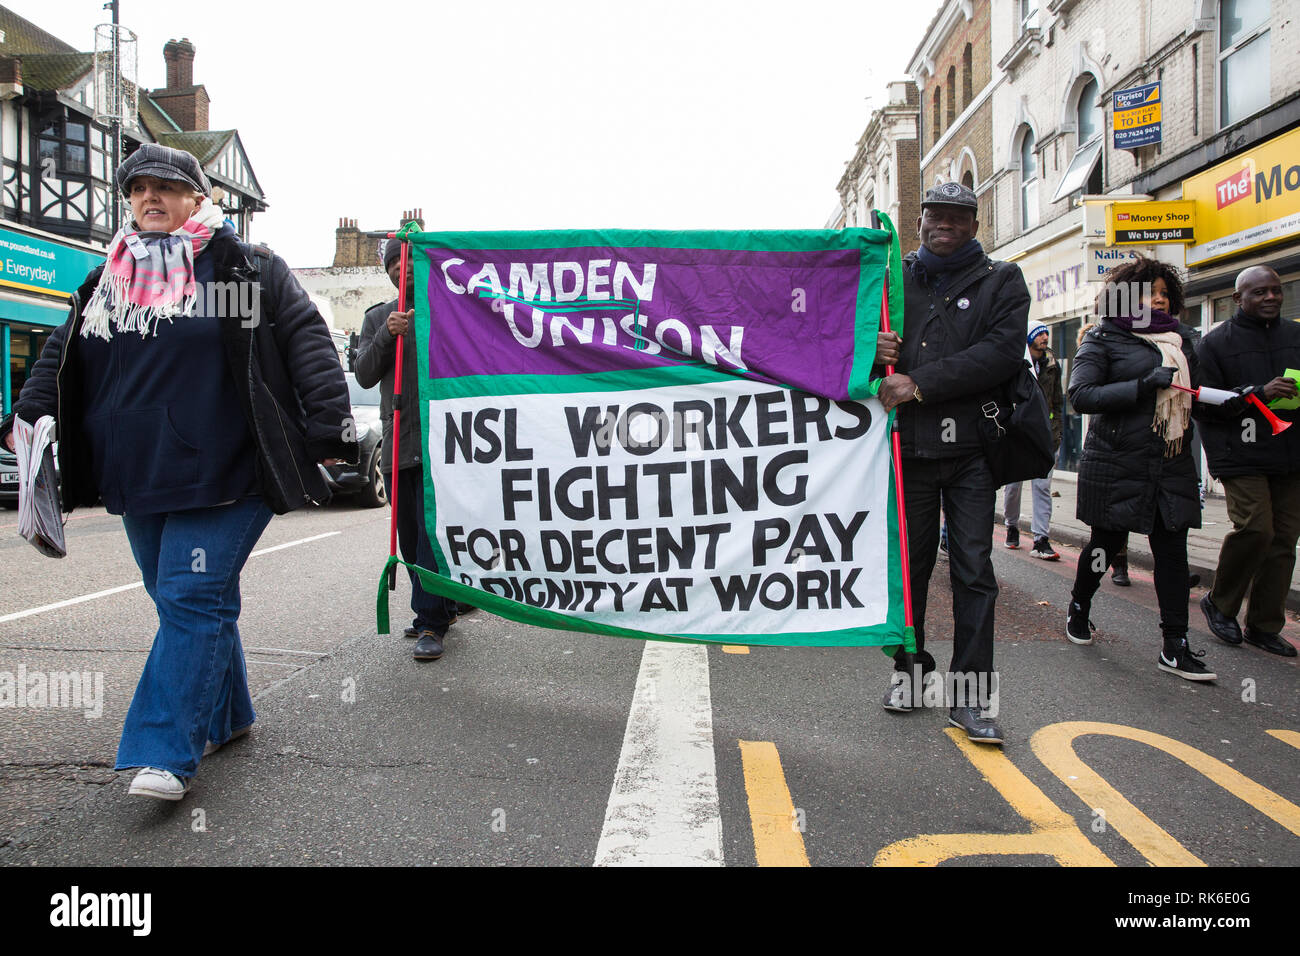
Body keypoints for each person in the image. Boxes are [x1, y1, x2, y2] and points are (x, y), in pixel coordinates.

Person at [0, 144, 356, 799]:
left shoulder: (241, 267)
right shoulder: (109, 273)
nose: (150, 197)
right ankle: (229, 713)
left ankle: (166, 751)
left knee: (191, 599)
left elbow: (304, 335)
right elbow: (63, 349)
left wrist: (329, 425)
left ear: (197, 197)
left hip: (232, 469)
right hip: (139, 470)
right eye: (138, 189)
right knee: (183, 600)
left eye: (166, 186)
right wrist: (26, 414)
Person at [876, 182, 1029, 744]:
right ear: (919, 222)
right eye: (935, 216)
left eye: (958, 218)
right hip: (908, 453)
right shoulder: (893, 280)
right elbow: (856, 343)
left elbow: (999, 354)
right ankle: (910, 673)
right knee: (908, 571)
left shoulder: (1001, 281)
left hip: (970, 453)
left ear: (975, 223)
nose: (946, 225)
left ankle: (971, 698)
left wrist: (918, 382)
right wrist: (876, 350)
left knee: (973, 571)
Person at [1064, 257, 1215, 680]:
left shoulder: (1183, 340)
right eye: (1151, 291)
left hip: (1170, 460)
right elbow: (1082, 395)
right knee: (1104, 547)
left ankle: (1175, 644)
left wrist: (1239, 400)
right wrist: (1142, 385)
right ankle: (1080, 604)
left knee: (1172, 553)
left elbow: (1195, 396)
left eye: (1166, 293)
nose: (1161, 299)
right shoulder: (1104, 337)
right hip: (1118, 462)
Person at [354, 238, 457, 661]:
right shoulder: (376, 317)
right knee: (411, 538)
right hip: (399, 441)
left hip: (441, 443)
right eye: (395, 263)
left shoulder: (448, 309)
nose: (403, 269)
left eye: (410, 260)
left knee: (431, 536)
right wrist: (386, 334)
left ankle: (430, 620)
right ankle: (441, 608)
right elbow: (362, 374)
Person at [1195, 265, 1300, 658]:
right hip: (1239, 453)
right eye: (1260, 293)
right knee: (1257, 527)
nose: (1271, 297)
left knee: (1284, 538)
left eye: (1276, 291)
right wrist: (1257, 392)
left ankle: (1263, 625)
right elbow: (1202, 404)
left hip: (1290, 453)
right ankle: (1220, 603)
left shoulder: (1296, 336)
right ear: (1238, 299)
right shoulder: (1215, 343)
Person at [1002, 323, 1063, 559]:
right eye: (1039, 335)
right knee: (1013, 487)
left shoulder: (1052, 365)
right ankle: (1011, 526)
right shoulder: (1016, 361)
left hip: (1045, 435)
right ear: (1029, 340)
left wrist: (1055, 432)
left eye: (1046, 333)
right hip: (1018, 434)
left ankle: (1041, 539)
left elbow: (1058, 403)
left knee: (1042, 487)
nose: (1045, 338)